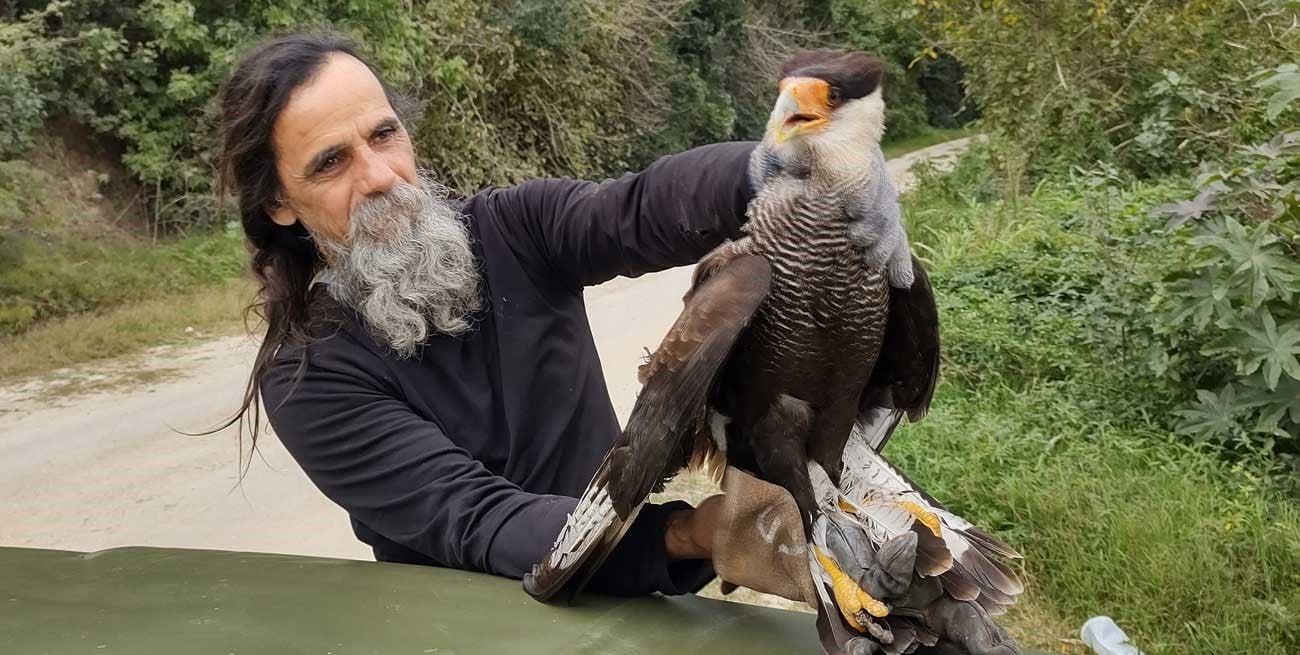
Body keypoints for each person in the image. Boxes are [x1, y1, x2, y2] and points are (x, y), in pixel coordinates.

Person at [215, 32, 818, 598]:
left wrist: (782, 174)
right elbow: (476, 518)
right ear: (279, 203)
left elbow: (638, 209)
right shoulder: (309, 373)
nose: (378, 178)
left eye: (383, 135)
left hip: (620, 597)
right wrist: (692, 533)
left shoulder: (513, 231)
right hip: (469, 626)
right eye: (330, 163)